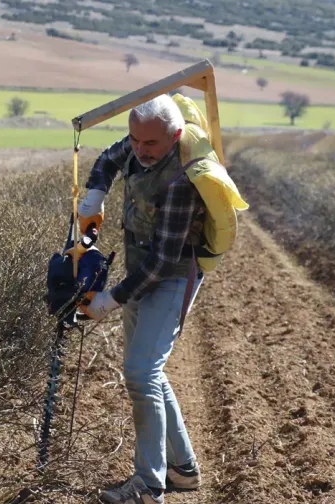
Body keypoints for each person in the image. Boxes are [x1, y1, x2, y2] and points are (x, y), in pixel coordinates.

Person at [77, 94, 207, 504]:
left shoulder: (181, 179)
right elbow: (108, 158)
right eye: (134, 140)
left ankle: (149, 486)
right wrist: (96, 192)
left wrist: (111, 299)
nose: (140, 150)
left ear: (176, 136)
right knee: (147, 371)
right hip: (139, 268)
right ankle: (182, 470)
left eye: (150, 144)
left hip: (170, 276)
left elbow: (163, 260)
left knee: (140, 372)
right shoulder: (138, 146)